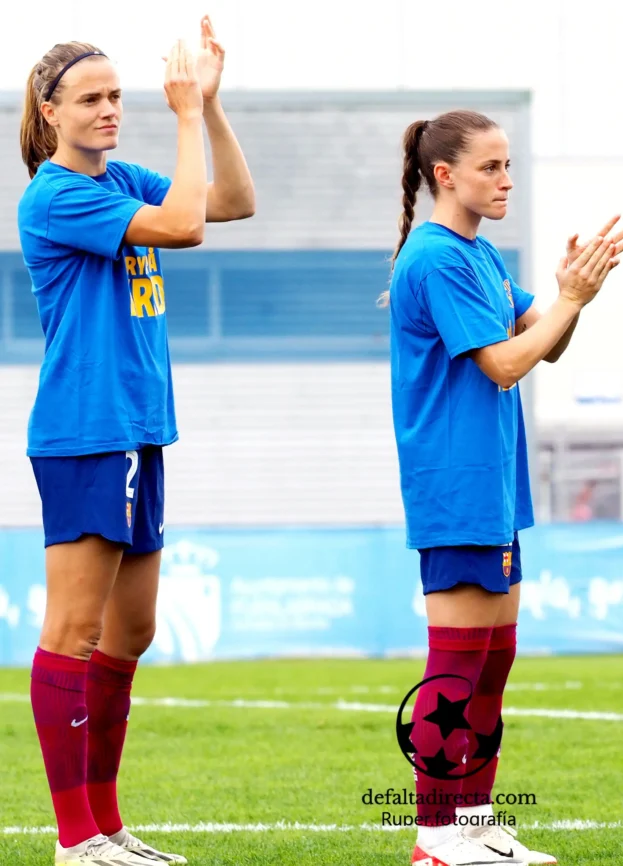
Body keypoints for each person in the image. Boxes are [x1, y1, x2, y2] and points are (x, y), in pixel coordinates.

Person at [18, 17, 254, 866]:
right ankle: (75, 839)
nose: (112, 108)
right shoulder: (57, 193)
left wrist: (212, 110)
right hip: (87, 430)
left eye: (117, 95)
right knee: (74, 632)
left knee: (132, 635)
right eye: (92, 98)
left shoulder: (119, 178)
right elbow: (186, 226)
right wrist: (184, 118)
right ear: (49, 113)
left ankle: (108, 828)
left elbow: (229, 203)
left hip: (140, 430)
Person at [387, 109, 623, 866]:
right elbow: (502, 363)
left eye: (507, 165)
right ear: (444, 176)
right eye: (491, 167)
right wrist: (567, 302)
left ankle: (475, 821)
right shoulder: (434, 258)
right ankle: (435, 832)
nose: (506, 180)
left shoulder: (480, 256)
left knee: (493, 659)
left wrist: (570, 296)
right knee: (457, 663)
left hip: (493, 486)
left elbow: (544, 347)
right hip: (454, 484)